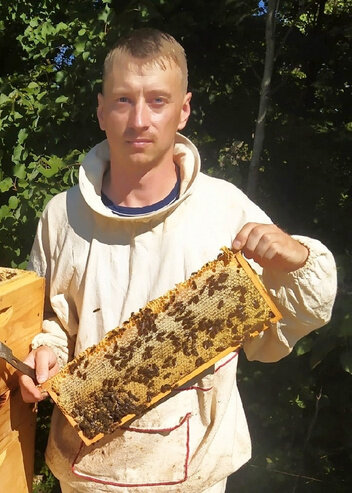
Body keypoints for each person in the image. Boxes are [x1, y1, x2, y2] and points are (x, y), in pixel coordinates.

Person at [18, 28, 337, 492]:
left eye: (158, 101)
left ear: (183, 110)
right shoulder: (61, 215)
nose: (140, 119)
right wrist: (45, 352)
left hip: (194, 475)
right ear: (101, 109)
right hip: (85, 473)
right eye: (124, 100)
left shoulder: (224, 209)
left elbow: (301, 314)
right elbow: (50, 319)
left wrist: (300, 259)